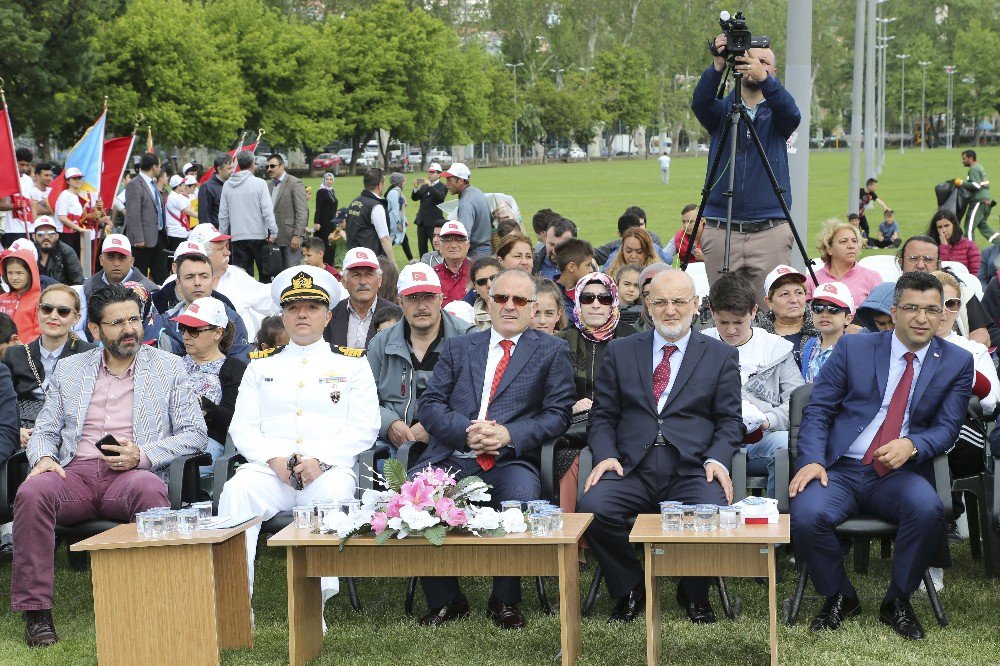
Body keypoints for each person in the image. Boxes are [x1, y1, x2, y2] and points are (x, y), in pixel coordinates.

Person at [12, 284, 206, 647]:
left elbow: (194, 433)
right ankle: (37, 612)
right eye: (117, 323)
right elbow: (46, 428)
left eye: (134, 319)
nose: (129, 329)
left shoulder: (169, 367)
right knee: (32, 490)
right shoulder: (71, 369)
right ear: (95, 330)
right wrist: (44, 458)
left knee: (149, 489)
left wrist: (143, 455)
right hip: (75, 473)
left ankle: (151, 603)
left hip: (132, 473)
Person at [790, 271, 973, 641]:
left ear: (942, 314)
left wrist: (914, 444)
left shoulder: (957, 361)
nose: (922, 318)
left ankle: (898, 601)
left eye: (931, 310)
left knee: (926, 510)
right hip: (840, 468)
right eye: (912, 308)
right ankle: (840, 594)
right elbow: (819, 409)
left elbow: (949, 426)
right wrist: (812, 459)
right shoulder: (853, 348)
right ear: (894, 311)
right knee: (806, 515)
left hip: (899, 472)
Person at [578, 268, 742, 625]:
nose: (670, 310)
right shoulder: (620, 351)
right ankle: (630, 588)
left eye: (680, 301)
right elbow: (603, 415)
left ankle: (694, 591)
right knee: (592, 506)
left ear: (696, 305)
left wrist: (718, 458)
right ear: (648, 306)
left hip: (692, 466)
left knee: (711, 509)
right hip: (630, 466)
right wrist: (605, 455)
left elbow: (730, 421)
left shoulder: (720, 355)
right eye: (662, 302)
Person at [413, 268, 574, 630]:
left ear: (533, 308)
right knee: (419, 496)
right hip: (455, 453)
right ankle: (446, 599)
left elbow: (558, 415)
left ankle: (505, 600)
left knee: (518, 498)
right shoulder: (459, 347)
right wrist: (465, 433)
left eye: (519, 300)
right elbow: (431, 404)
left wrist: (507, 434)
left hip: (511, 459)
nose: (509, 306)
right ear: (488, 300)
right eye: (501, 298)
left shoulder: (551, 351)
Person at [218, 265, 379, 612]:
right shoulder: (260, 366)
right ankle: (233, 606)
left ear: (327, 316)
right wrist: (273, 461)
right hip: (270, 471)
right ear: (283, 316)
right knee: (236, 492)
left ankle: (312, 610)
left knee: (333, 492)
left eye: (312, 307)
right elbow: (242, 427)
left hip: (328, 469)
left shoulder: (353, 365)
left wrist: (321, 461)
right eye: (293, 308)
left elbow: (365, 426)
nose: (302, 314)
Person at [692, 31, 801, 303]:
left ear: (774, 71)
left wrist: (765, 81)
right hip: (721, 227)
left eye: (764, 62)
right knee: (724, 308)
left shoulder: (777, 115)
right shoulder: (722, 111)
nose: (756, 65)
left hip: (770, 228)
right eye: (750, 59)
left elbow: (793, 114)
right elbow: (700, 104)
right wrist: (718, 65)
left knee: (772, 311)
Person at [703, 272, 802, 498]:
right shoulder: (700, 343)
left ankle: (777, 519)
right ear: (711, 313)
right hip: (710, 438)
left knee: (784, 444)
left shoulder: (776, 349)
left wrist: (770, 420)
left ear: (754, 312)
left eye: (739, 322)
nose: (731, 330)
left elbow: (797, 401)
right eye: (723, 322)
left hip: (762, 436)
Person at [368, 264, 475, 456]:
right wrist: (389, 424)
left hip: (455, 443)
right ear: (399, 301)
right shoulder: (380, 344)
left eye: (429, 296)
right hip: (394, 443)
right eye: (413, 297)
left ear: (441, 298)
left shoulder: (469, 339)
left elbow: (478, 399)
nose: (422, 306)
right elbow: (365, 398)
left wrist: (434, 425)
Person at [556, 273, 624, 511]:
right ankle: (571, 537)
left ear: (614, 302)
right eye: (587, 298)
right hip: (572, 428)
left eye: (604, 298)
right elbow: (550, 391)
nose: (596, 304)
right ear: (578, 302)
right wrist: (570, 406)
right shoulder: (560, 341)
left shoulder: (630, 340)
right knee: (569, 459)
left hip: (618, 426)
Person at [2, 285, 96, 440]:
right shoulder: (15, 354)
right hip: (26, 433)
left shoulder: (90, 354)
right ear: (38, 312)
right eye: (47, 309)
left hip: (74, 436)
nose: (53, 316)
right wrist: (15, 430)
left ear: (76, 318)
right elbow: (4, 401)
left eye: (63, 311)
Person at [170, 297, 247, 472]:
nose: (185, 336)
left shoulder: (235, 369)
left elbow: (233, 421)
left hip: (208, 442)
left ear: (218, 333)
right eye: (183, 328)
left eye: (194, 330)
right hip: (167, 436)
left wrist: (202, 404)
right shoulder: (171, 363)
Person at [156, 242, 252, 363]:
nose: (197, 282)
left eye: (204, 276)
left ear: (213, 280)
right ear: (178, 283)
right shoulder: (163, 323)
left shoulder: (232, 319)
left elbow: (240, 364)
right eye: (189, 277)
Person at [897, 235, 995, 348]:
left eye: (928, 259)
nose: (920, 265)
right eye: (913, 258)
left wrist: (959, 358)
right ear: (901, 263)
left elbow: (981, 335)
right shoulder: (892, 297)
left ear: (938, 265)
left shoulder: (962, 294)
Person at [219, 151, 278, 282]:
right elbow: (267, 210)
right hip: (258, 235)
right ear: (252, 164)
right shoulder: (260, 183)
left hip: (237, 236)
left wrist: (223, 236)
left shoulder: (228, 185)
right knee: (265, 275)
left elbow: (223, 215)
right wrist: (273, 231)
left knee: (242, 277)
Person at [807, 219, 883, 309]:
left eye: (854, 241)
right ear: (829, 249)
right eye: (843, 241)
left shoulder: (872, 278)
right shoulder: (811, 279)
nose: (851, 246)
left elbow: (881, 315)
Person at [325, 247, 392, 349]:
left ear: (379, 280)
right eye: (356, 275)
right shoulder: (331, 315)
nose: (363, 282)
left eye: (369, 275)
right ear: (344, 281)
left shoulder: (395, 316)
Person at [754, 265, 816, 369]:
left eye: (799, 293)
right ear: (769, 302)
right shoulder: (758, 336)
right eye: (785, 294)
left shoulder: (821, 329)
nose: (793, 299)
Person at [124, 154, 169, 283]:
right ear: (154, 167)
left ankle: (164, 301)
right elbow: (133, 213)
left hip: (159, 237)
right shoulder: (134, 185)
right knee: (140, 276)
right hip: (143, 241)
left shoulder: (153, 184)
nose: (159, 168)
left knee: (161, 275)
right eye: (159, 166)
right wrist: (138, 238)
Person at [801, 282, 854, 382]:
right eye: (818, 308)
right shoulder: (809, 345)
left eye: (833, 309)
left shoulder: (852, 349)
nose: (824, 314)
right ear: (812, 314)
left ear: (848, 318)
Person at [266, 154, 309, 270]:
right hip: (273, 239)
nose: (269, 169)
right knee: (277, 274)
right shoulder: (268, 185)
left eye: (272, 166)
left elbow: (302, 211)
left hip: (291, 239)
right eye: (267, 167)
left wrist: (298, 235)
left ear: (282, 166)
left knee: (292, 272)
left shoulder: (295, 183)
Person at [440, 163, 492, 256]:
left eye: (449, 180)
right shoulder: (477, 192)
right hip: (485, 249)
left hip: (475, 253)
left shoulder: (466, 202)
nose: (446, 184)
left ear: (460, 180)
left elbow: (464, 234)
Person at [345, 167, 394, 260]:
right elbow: (384, 238)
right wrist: (393, 263)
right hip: (370, 260)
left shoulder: (354, 202)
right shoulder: (376, 206)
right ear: (379, 185)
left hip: (353, 257)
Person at [52, 167, 96, 257]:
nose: (77, 180)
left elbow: (79, 217)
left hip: (74, 233)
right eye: (74, 178)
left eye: (79, 178)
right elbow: (62, 217)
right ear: (68, 181)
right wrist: (79, 228)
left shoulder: (77, 196)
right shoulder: (64, 195)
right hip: (64, 234)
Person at [0, 250, 41, 344]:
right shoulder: (1, 298)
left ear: (31, 273)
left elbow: (39, 331)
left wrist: (24, 350)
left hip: (27, 353)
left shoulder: (41, 300)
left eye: (19, 273)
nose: (14, 277)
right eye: (10, 272)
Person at [957, 150, 997, 243]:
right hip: (986, 202)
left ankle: (970, 251)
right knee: (983, 226)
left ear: (971, 158)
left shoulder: (973, 169)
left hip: (978, 202)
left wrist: (962, 183)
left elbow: (976, 185)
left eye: (964, 159)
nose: (962, 161)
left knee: (969, 227)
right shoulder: (979, 167)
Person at [553, 237, 595, 326]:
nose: (591, 270)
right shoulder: (552, 293)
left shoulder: (593, 288)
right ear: (571, 267)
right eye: (588, 265)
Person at [31, 217, 84, 286]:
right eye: (41, 234)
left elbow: (78, 281)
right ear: (34, 237)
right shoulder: (29, 251)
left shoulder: (67, 252)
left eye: (51, 233)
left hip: (62, 293)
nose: (46, 237)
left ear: (57, 236)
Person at [411, 162, 448, 256]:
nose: (430, 174)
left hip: (434, 222)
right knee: (422, 247)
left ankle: (439, 265)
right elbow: (415, 198)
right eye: (429, 172)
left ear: (439, 174)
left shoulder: (442, 187)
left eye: (433, 172)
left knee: (436, 246)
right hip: (422, 221)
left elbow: (440, 197)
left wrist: (430, 186)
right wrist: (415, 188)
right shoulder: (424, 186)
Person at [433, 221, 472, 306]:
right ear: (440, 246)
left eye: (459, 240)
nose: (453, 245)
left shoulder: (477, 272)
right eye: (448, 240)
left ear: (468, 245)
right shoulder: (432, 275)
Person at [930, 209, 980, 275]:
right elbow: (938, 271)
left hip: (965, 283)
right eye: (940, 227)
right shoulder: (931, 246)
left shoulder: (969, 246)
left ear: (954, 225)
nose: (943, 230)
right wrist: (944, 247)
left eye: (946, 225)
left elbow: (976, 272)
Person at [197, 153, 233, 231]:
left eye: (232, 168)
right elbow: (204, 217)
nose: (232, 171)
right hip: (216, 234)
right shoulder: (206, 187)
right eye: (229, 168)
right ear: (219, 169)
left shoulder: (231, 184)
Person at [464, 256, 501, 330]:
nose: (489, 285)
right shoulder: (468, 317)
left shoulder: (522, 305)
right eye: (482, 282)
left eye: (494, 278)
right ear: (475, 288)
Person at [313, 172, 340, 267]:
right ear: (324, 180)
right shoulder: (321, 191)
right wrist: (316, 222)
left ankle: (330, 264)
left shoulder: (331, 191)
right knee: (325, 244)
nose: (329, 181)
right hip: (324, 223)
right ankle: (324, 263)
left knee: (331, 242)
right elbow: (318, 208)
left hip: (331, 222)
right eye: (327, 179)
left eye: (331, 179)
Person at [165, 175, 196, 251]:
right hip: (178, 233)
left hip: (175, 232)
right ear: (178, 186)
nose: (185, 185)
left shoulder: (172, 196)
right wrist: (200, 215)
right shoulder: (176, 198)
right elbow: (188, 211)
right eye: (183, 183)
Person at [386, 172, 412, 261]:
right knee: (390, 241)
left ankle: (411, 260)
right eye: (404, 180)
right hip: (393, 222)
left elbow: (401, 209)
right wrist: (399, 223)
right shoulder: (394, 192)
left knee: (404, 239)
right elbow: (395, 210)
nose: (405, 182)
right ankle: (381, 258)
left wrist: (404, 220)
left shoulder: (398, 191)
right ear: (399, 182)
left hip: (396, 221)